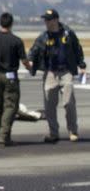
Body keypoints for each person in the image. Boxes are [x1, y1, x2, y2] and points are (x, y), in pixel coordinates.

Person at [28, 9, 86, 143]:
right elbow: (34, 50)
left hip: (66, 72)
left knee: (69, 103)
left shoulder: (68, 33)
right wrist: (29, 61)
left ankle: (73, 131)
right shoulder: (44, 36)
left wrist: (81, 65)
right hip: (50, 73)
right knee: (49, 105)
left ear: (56, 20)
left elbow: (77, 49)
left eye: (48, 19)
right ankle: (53, 133)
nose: (46, 22)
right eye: (45, 20)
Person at [0, 12, 31, 146]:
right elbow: (24, 60)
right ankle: (4, 134)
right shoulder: (16, 40)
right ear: (12, 23)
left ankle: (0, 134)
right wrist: (31, 68)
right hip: (10, 76)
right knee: (11, 106)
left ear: (0, 23)